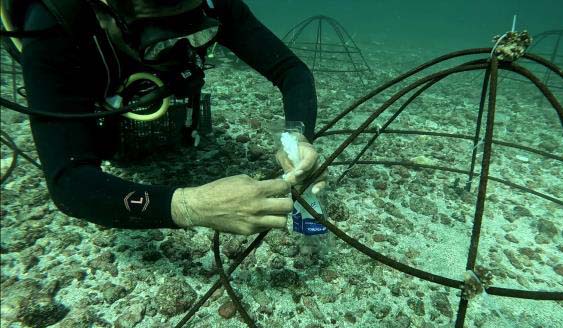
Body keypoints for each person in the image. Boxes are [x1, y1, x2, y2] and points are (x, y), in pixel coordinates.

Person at [12, 0, 327, 234]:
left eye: (195, 33)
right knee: (102, 140)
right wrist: (188, 206)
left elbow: (291, 71)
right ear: (105, 11)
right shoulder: (54, 25)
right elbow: (69, 182)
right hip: (93, 78)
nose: (180, 50)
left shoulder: (214, 4)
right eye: (160, 39)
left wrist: (296, 136)